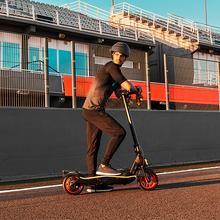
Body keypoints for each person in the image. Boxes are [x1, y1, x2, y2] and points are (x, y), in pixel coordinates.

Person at [82, 42, 138, 192]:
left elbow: (117, 90)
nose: (119, 57)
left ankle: (93, 184)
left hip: (89, 110)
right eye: (117, 54)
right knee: (119, 132)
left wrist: (123, 93)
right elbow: (127, 86)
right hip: (94, 110)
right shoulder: (111, 67)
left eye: (122, 56)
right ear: (112, 54)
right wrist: (135, 90)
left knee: (93, 147)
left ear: (125, 58)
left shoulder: (113, 71)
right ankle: (104, 165)